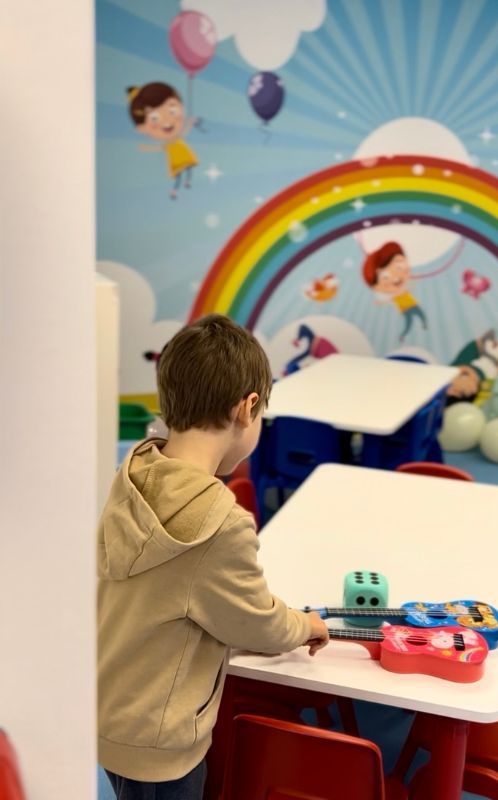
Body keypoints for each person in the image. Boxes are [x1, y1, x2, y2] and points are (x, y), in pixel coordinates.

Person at [97, 314, 329, 798]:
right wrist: (306, 624)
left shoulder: (135, 473)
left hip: (109, 711)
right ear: (247, 409)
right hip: (162, 739)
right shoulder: (219, 523)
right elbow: (255, 623)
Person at [127, 82, 199, 200]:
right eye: (154, 118)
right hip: (177, 160)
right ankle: (175, 190)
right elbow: (159, 148)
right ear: (141, 128)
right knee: (178, 176)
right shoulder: (169, 144)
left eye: (172, 111)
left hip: (185, 156)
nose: (167, 120)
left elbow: (184, 131)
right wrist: (145, 148)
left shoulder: (177, 138)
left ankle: (187, 182)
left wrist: (190, 123)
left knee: (188, 168)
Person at [362, 241, 428, 341]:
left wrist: (415, 280)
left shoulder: (405, 288)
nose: (395, 278)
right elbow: (388, 300)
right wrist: (380, 302)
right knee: (408, 323)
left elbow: (412, 284)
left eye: (399, 267)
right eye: (385, 277)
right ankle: (403, 335)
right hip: (405, 309)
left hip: (413, 305)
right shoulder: (394, 295)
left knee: (421, 315)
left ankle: (424, 323)